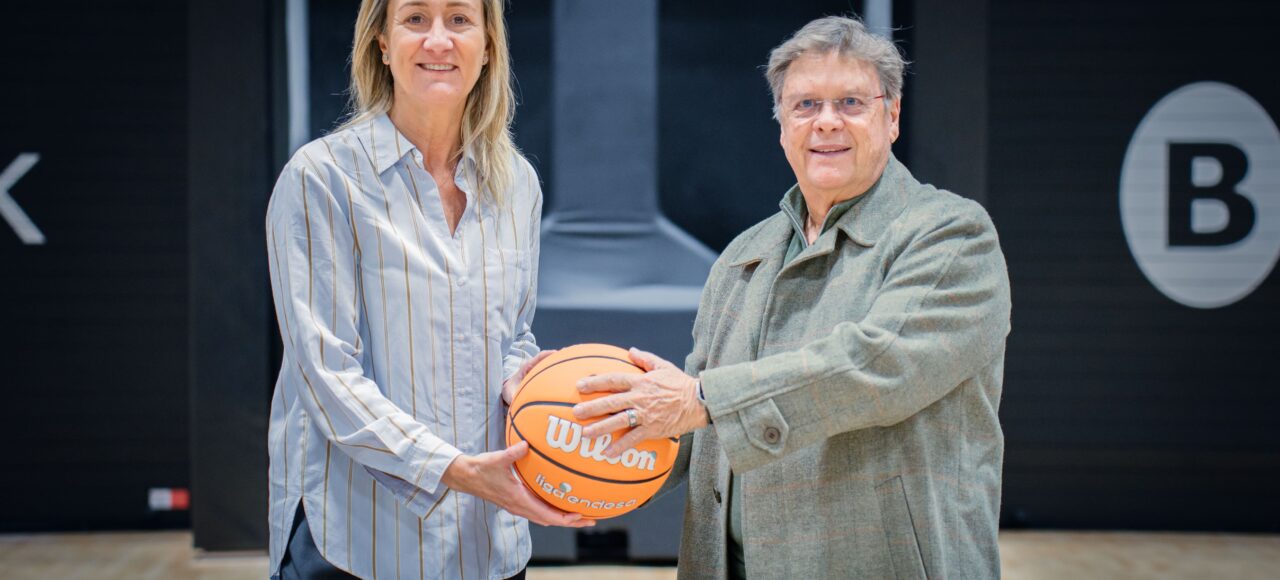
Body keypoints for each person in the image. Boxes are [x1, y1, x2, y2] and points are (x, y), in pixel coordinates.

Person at [571, 15, 1012, 579]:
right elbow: (699, 428)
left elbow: (877, 365)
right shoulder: (744, 254)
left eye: (851, 103)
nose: (826, 121)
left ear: (893, 116)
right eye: (805, 105)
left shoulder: (951, 235)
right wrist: (591, 463)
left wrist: (701, 398)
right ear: (781, 125)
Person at [264, 1, 590, 578]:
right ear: (382, 44)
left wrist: (530, 383)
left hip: (486, 542)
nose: (438, 40)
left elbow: (513, 334)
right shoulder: (322, 178)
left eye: (459, 19)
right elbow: (326, 374)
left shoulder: (517, 184)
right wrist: (455, 471)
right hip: (356, 540)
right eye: (415, 18)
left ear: (487, 47)